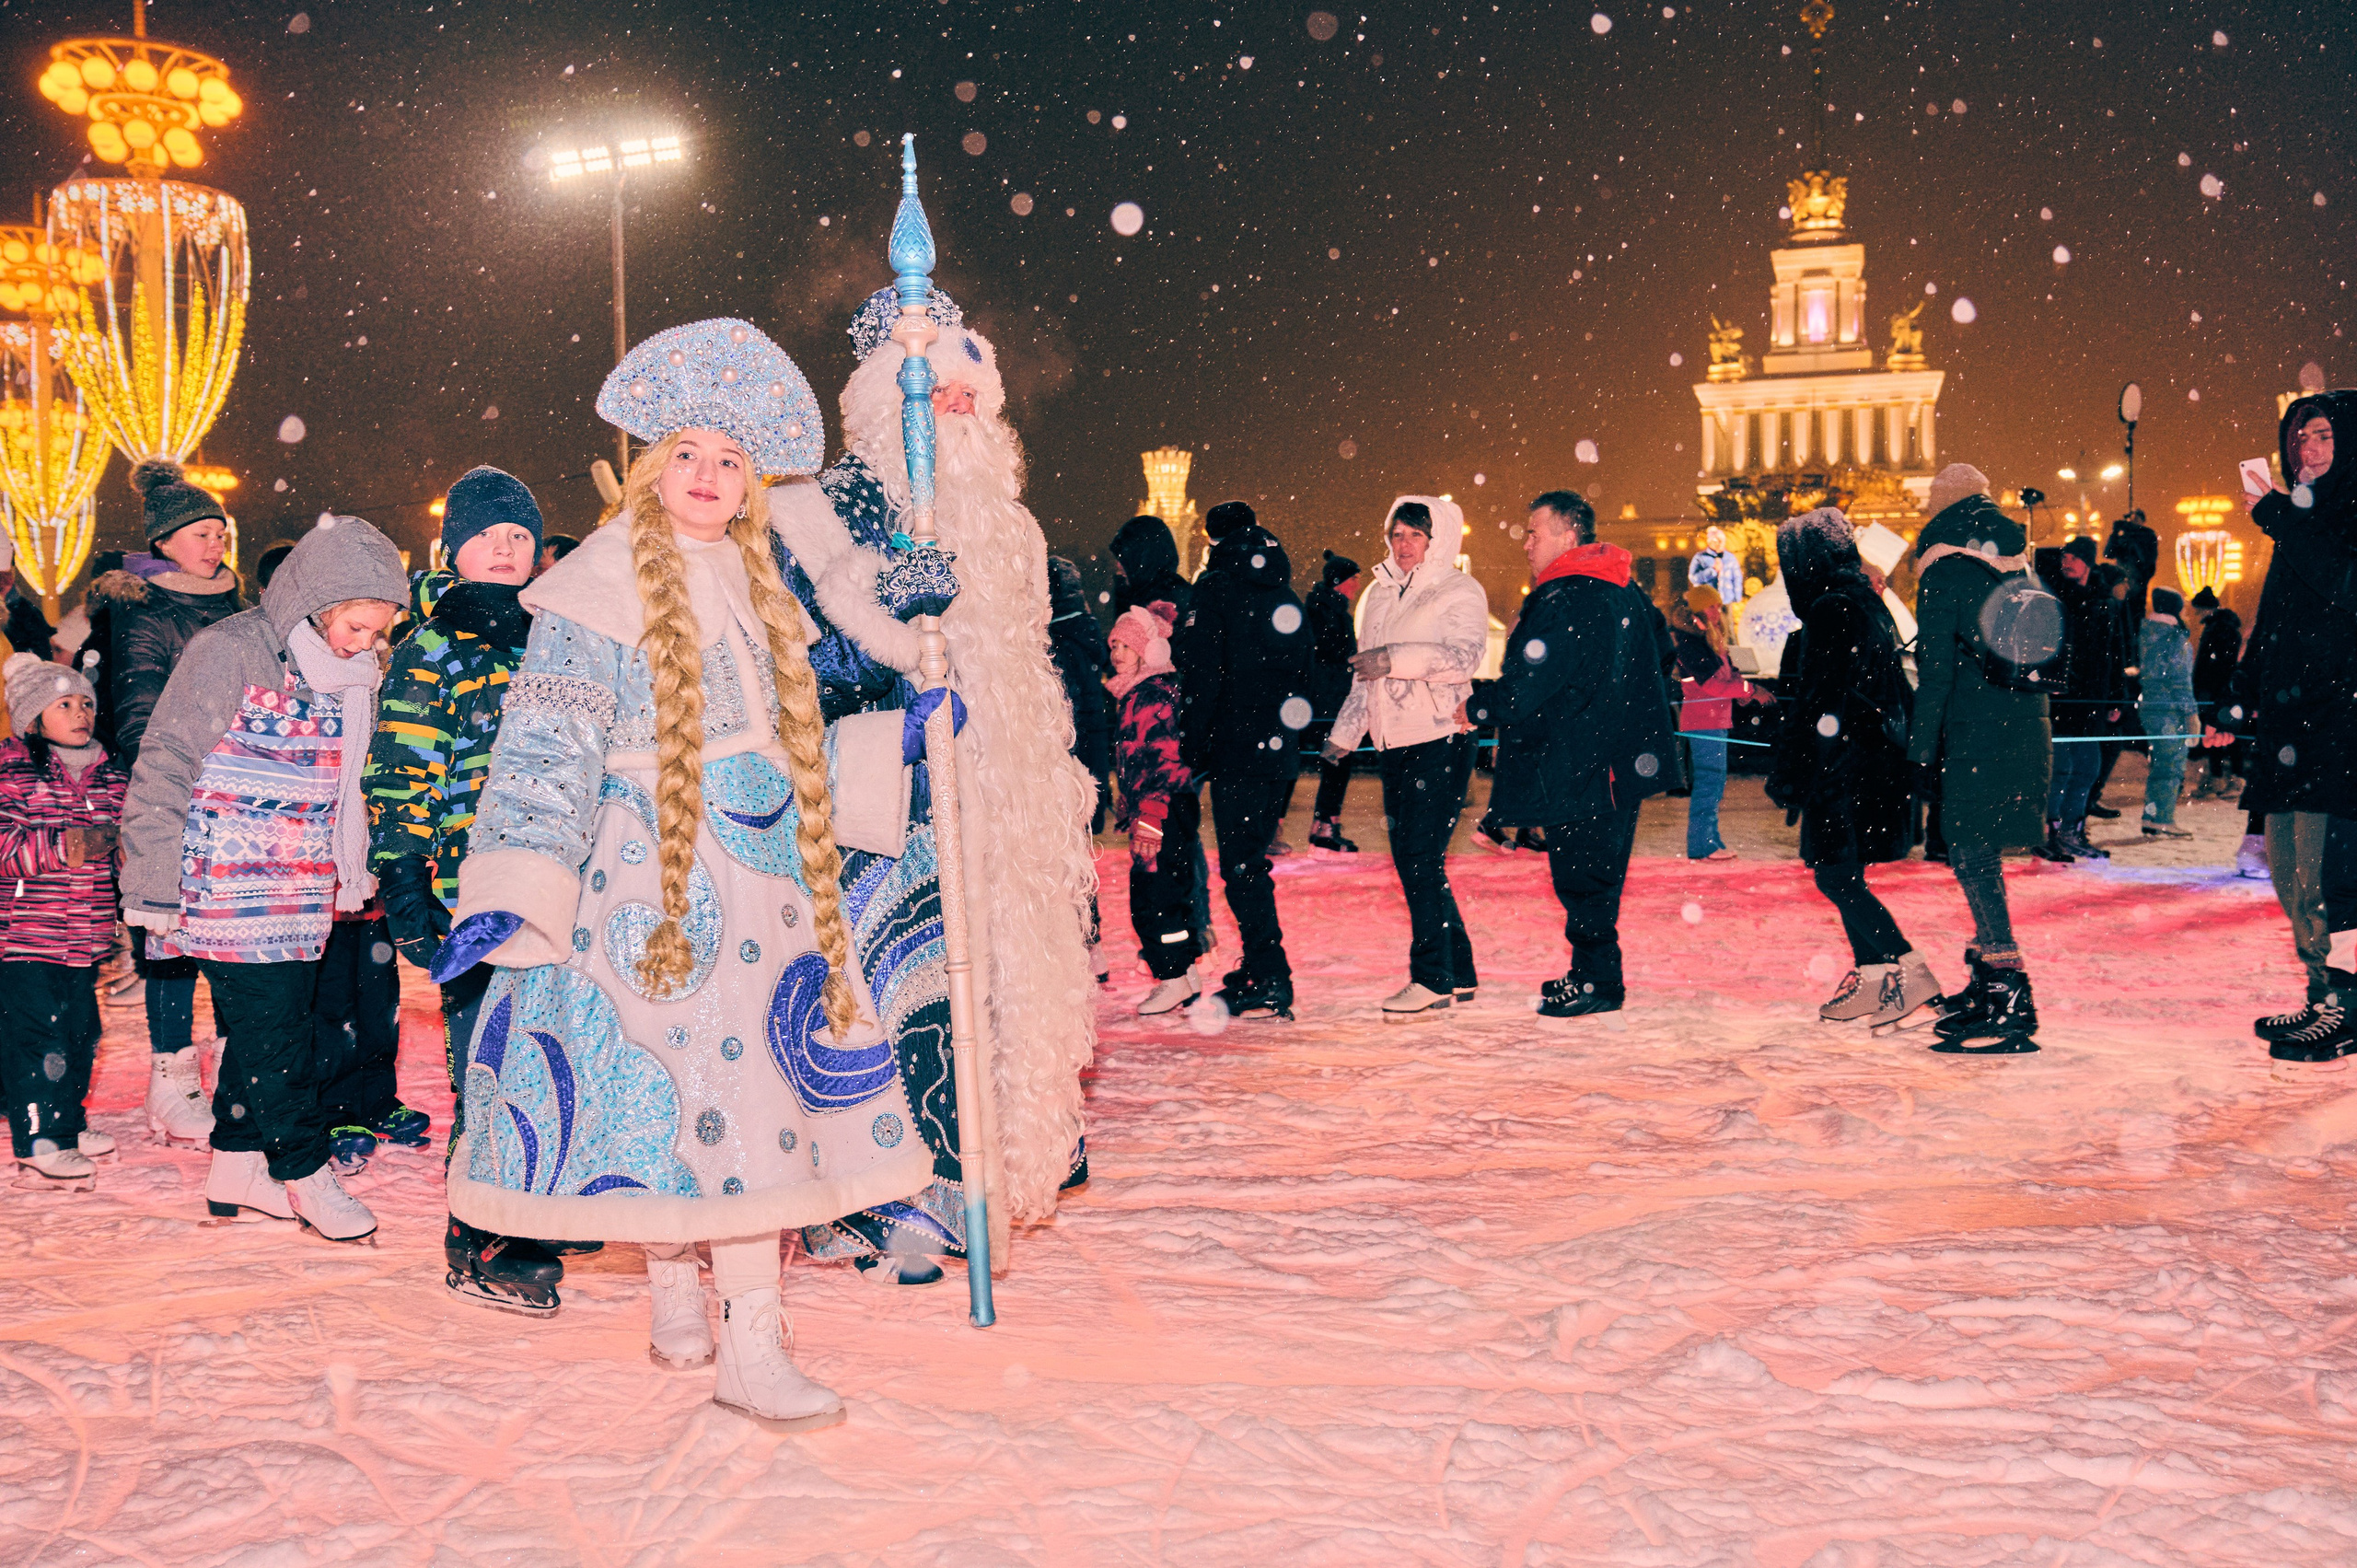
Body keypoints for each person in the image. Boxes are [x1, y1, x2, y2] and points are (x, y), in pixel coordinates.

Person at [436, 319, 934, 1426]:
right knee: (682, 1096)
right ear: (654, 464)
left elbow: (785, 736)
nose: (707, 479)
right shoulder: (592, 585)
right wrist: (513, 884)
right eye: (689, 455)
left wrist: (894, 730)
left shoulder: (762, 585)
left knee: (747, 1102)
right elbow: (548, 741)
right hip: (644, 881)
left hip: (765, 875)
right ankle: (691, 1298)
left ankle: (734, 1327)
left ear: (751, 480)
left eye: (729, 460)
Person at [768, 285, 1100, 1289]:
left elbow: (1043, 665)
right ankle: (866, 1201)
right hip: (881, 801)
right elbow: (787, 667)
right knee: (881, 999)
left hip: (999, 803)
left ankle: (971, 1171)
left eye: (969, 401)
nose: (955, 417)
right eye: (933, 401)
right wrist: (880, 665)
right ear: (878, 406)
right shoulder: (816, 515)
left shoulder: (1014, 533)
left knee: (987, 994)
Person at [120, 512, 408, 1237]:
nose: (367, 645)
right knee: (283, 1040)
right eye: (357, 628)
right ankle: (304, 1172)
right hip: (226, 884)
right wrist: (153, 881)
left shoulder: (354, 677)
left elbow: (352, 783)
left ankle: (236, 1167)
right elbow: (165, 760)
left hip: (302, 887)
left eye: (378, 632)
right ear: (315, 604)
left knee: (268, 1031)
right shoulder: (232, 651)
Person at [363, 464, 570, 1312]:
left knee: (550, 1052)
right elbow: (402, 768)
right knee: (485, 1058)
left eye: (521, 536)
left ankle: (535, 1214)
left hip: (558, 884)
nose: (508, 548)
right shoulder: (435, 642)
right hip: (469, 891)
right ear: (456, 549)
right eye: (491, 536)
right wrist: (406, 880)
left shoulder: (557, 635)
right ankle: (478, 1228)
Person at [90, 460, 246, 1148]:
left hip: (244, 792)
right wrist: (186, 768)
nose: (214, 544)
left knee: (237, 935)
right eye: (201, 533)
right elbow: (137, 709)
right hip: (176, 790)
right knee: (170, 933)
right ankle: (171, 1074)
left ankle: (233, 1066)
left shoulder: (244, 605)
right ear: (166, 542)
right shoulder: (143, 610)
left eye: (219, 532)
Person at [1485, 491, 1678, 1017]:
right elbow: (1663, 653)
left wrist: (1484, 705)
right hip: (1617, 760)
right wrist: (1627, 709)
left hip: (1581, 761)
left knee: (1582, 876)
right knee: (1598, 873)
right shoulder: (1623, 588)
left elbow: (1534, 675)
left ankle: (1598, 983)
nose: (1526, 543)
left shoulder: (1567, 595)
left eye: (1534, 533)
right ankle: (1591, 974)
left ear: (1569, 537)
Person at [1763, 510, 1946, 1028]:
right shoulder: (1866, 602)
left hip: (1842, 767)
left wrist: (1797, 772)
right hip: (1869, 763)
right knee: (1842, 874)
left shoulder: (1831, 608)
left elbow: (1821, 701)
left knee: (1836, 876)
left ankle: (1910, 971)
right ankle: (1872, 974)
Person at [1323, 496, 1487, 1016]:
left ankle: (1432, 977)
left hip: (1441, 736)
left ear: (1437, 539)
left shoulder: (1460, 590)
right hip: (1394, 743)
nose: (1403, 545)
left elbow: (1463, 657)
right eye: (1396, 534)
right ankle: (1456, 970)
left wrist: (1395, 659)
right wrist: (1345, 735)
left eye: (1415, 535)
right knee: (1420, 862)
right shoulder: (1379, 594)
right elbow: (1363, 675)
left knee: (1418, 860)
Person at [1906, 464, 2048, 1053]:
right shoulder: (2021, 558)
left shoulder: (1944, 565)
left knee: (1972, 854)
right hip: (2023, 721)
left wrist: (1919, 750)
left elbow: (1936, 671)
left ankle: (2010, 988)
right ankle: (1988, 977)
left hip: (1972, 728)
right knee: (1977, 851)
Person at [2239, 391, 2357, 1059]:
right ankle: (2321, 991)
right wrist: (2239, 694)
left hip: (2339, 724)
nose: (2305, 451)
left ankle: (2345, 1001)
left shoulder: (2340, 514)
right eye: (2297, 439)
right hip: (2290, 724)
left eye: (2320, 436)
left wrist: (2284, 518)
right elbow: (2278, 621)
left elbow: (2345, 585)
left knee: (2327, 877)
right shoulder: (2300, 524)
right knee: (2287, 872)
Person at [1177, 499, 1315, 1019]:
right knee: (1250, 863)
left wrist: (1194, 742)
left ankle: (1270, 973)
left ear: (1213, 541)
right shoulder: (1282, 591)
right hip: (1277, 749)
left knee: (1243, 868)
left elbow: (1203, 673)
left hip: (1237, 748)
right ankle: (1262, 964)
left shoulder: (1216, 589)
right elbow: (1306, 674)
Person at [0, 653, 127, 1189]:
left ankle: (67, 1124)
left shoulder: (111, 774)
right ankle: (40, 1138)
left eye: (86, 704)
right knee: (37, 1038)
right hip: (26, 936)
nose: (81, 713)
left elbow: (126, 846)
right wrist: (73, 845)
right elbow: (6, 847)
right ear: (31, 718)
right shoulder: (15, 772)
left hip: (86, 935)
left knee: (81, 1034)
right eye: (64, 704)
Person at [1106, 603, 1202, 1014]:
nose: (1116, 652)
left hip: (1162, 809)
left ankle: (1173, 976)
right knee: (1167, 890)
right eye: (1113, 645)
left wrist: (1151, 815)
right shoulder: (1136, 694)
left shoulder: (1151, 696)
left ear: (1147, 650)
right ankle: (1185, 972)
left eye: (1126, 645)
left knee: (1152, 896)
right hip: (1159, 807)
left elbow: (1164, 758)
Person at [1670, 586, 1769, 862]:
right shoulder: (1691, 643)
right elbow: (1713, 685)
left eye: (1718, 606)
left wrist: (1741, 691)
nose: (1718, 611)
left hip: (1715, 720)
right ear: (1699, 609)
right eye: (1712, 606)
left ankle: (1710, 840)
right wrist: (1749, 691)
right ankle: (1703, 845)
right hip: (1704, 721)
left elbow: (1728, 675)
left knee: (1714, 781)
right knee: (1709, 781)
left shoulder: (1709, 640)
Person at [2034, 540, 2115, 861]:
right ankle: (2049, 832)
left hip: (2092, 698)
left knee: (2088, 766)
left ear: (2089, 563)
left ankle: (2071, 830)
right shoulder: (2054, 596)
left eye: (2075, 558)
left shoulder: (2103, 600)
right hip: (2063, 697)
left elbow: (2112, 652)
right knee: (2062, 767)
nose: (2067, 562)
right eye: (2065, 557)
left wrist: (2114, 699)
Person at [1046, 555, 1112, 831]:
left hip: (1073, 747)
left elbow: (1064, 703)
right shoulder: (1086, 631)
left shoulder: (1059, 640)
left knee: (1071, 834)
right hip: (1092, 743)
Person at [1303, 550, 1362, 852]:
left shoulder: (1324, 608)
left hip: (1318, 699)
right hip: (1327, 700)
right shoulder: (1327, 612)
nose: (1357, 585)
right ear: (1340, 582)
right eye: (1354, 579)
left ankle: (1319, 825)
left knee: (1328, 761)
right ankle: (1324, 826)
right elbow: (1330, 655)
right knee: (1338, 759)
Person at [2136, 587, 2198, 838]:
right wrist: (2191, 714)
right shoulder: (2173, 638)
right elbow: (2180, 680)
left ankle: (2152, 816)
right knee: (2171, 766)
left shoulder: (2145, 632)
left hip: (2149, 705)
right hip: (2169, 709)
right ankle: (2162, 818)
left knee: (2159, 765)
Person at [2189, 588, 2244, 801]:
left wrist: (2202, 686)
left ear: (2206, 608)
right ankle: (2228, 778)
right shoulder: (2226, 628)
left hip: (2214, 690)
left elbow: (2208, 664)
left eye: (2198, 610)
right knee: (2228, 733)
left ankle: (2219, 778)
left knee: (2216, 733)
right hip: (2225, 689)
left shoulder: (2217, 630)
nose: (2197, 615)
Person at [1109, 514, 1194, 624]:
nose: (1118, 565)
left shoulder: (1162, 604)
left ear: (1142, 558)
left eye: (1124, 559)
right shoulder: (1142, 593)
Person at [2106, 507, 2161, 622]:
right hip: (2123, 582)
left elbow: (2147, 562)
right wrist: (2115, 534)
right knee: (2120, 616)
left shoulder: (2148, 536)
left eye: (2136, 518)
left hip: (2137, 584)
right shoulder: (2124, 535)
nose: (2132, 522)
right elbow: (2109, 553)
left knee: (2134, 615)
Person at [1688, 524, 1744, 607]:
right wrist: (1712, 571)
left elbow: (1737, 578)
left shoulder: (1730, 557)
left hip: (1727, 600)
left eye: (1721, 541)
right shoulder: (1700, 557)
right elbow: (1693, 578)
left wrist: (1737, 597)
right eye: (1716, 541)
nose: (1719, 544)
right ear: (1710, 542)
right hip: (1708, 601)